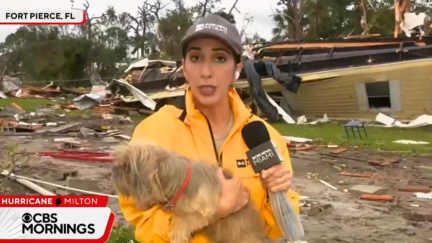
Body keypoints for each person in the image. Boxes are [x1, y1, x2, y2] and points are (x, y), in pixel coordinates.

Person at [118, 13, 300, 243]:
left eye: (220, 58)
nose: (206, 72)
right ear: (184, 67)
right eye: (196, 58)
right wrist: (213, 211)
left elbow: (276, 229)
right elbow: (144, 223)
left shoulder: (264, 137)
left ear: (237, 68)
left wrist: (277, 196)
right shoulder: (153, 134)